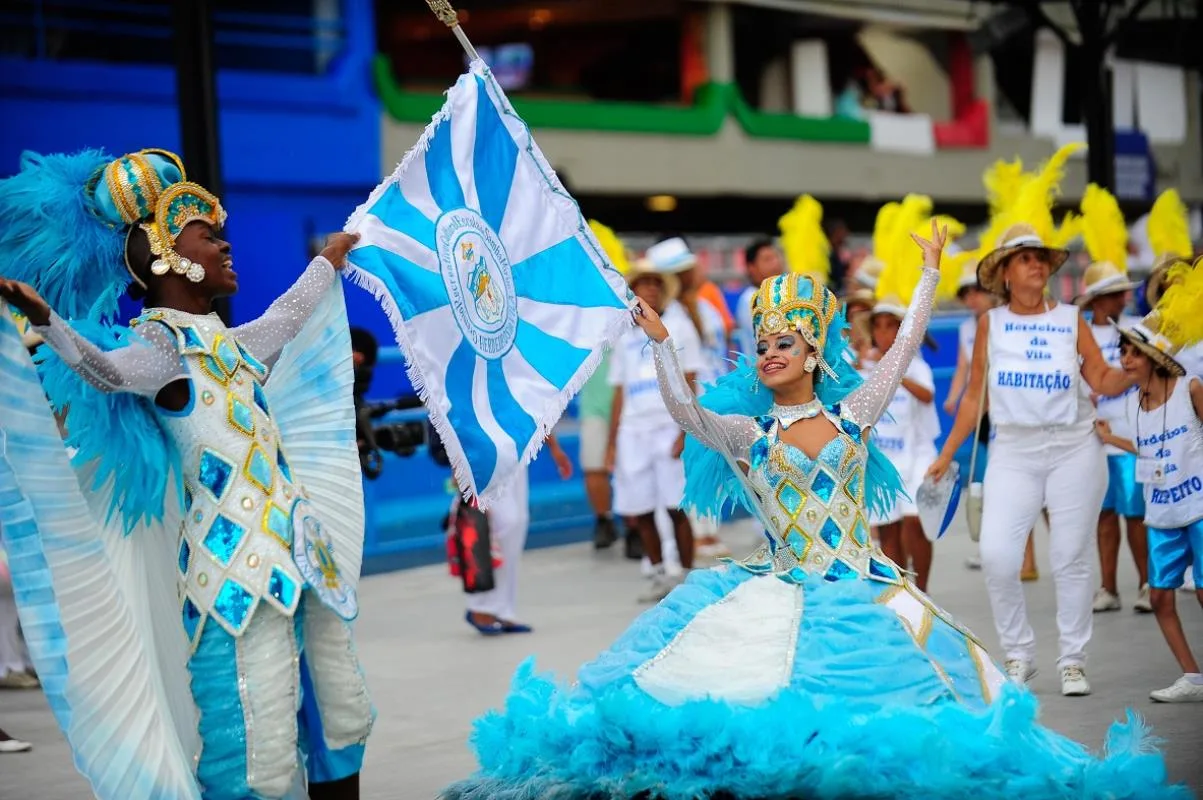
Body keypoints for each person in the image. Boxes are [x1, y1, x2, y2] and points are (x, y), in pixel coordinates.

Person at [440, 221, 1186, 800]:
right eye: (762, 343)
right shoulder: (746, 433)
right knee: (761, 704)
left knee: (899, 719)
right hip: (780, 584)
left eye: (784, 343)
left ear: (813, 355)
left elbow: (903, 352)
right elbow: (682, 411)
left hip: (862, 586)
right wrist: (663, 345)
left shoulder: (854, 412)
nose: (769, 352)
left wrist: (928, 271)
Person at [0, 149, 373, 799]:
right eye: (210, 234)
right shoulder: (162, 351)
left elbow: (286, 318)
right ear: (167, 255)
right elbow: (106, 372)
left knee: (340, 713)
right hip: (233, 572)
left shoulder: (227, 345)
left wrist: (327, 260)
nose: (227, 245)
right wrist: (48, 323)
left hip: (299, 554)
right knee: (257, 745)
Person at [928, 223, 1133, 697]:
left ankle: (1073, 660)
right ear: (1004, 273)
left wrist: (1134, 372)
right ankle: (1018, 653)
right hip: (1013, 450)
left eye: (1040, 256)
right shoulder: (990, 324)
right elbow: (976, 392)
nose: (1036, 264)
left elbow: (1100, 376)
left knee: (1069, 557)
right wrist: (944, 453)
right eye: (1024, 258)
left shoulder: (1069, 320)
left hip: (1074, 448)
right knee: (999, 555)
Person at [1095, 256, 1203, 702]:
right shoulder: (1132, 406)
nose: (1125, 358)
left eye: (1133, 351)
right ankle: (1193, 677)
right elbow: (1150, 450)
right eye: (1122, 351)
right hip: (1161, 515)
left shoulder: (1191, 389)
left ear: (1156, 358)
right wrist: (1112, 439)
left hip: (1198, 509)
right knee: (1160, 597)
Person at [606, 259, 703, 602]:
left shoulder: (679, 326)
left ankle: (690, 580)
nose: (649, 289)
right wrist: (611, 443)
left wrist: (686, 430)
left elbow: (691, 379)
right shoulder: (623, 334)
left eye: (655, 283)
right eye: (643, 283)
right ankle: (661, 574)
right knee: (640, 508)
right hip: (633, 430)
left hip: (668, 426)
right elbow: (619, 389)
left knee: (676, 506)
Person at [647, 237, 732, 560]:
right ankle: (693, 536)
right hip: (686, 401)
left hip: (712, 398)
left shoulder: (705, 306)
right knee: (685, 469)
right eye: (686, 268)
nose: (696, 271)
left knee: (709, 466)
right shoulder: (671, 316)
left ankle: (708, 531)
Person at [1074, 261, 1151, 613]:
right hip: (1093, 438)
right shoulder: (1079, 334)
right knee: (1104, 516)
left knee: (1136, 514)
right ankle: (1108, 588)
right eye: (1116, 292)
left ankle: (1148, 584)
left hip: (1130, 435)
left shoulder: (1137, 328)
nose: (1124, 297)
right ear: (1099, 299)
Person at [464, 435, 573, 635]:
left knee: (517, 524)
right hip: (485, 449)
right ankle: (480, 605)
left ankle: (503, 609)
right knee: (503, 523)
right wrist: (459, 465)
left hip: (516, 449)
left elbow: (534, 405)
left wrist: (554, 447)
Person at [867, 295, 939, 590]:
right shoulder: (865, 368)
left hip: (918, 455)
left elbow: (927, 395)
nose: (885, 333)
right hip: (883, 458)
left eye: (891, 326)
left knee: (916, 523)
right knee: (888, 530)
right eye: (879, 327)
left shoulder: (917, 365)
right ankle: (900, 592)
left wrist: (896, 372)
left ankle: (923, 592)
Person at [733, 237, 784, 357]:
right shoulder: (751, 299)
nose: (775, 263)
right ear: (752, 267)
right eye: (768, 259)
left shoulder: (778, 295)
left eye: (776, 257)